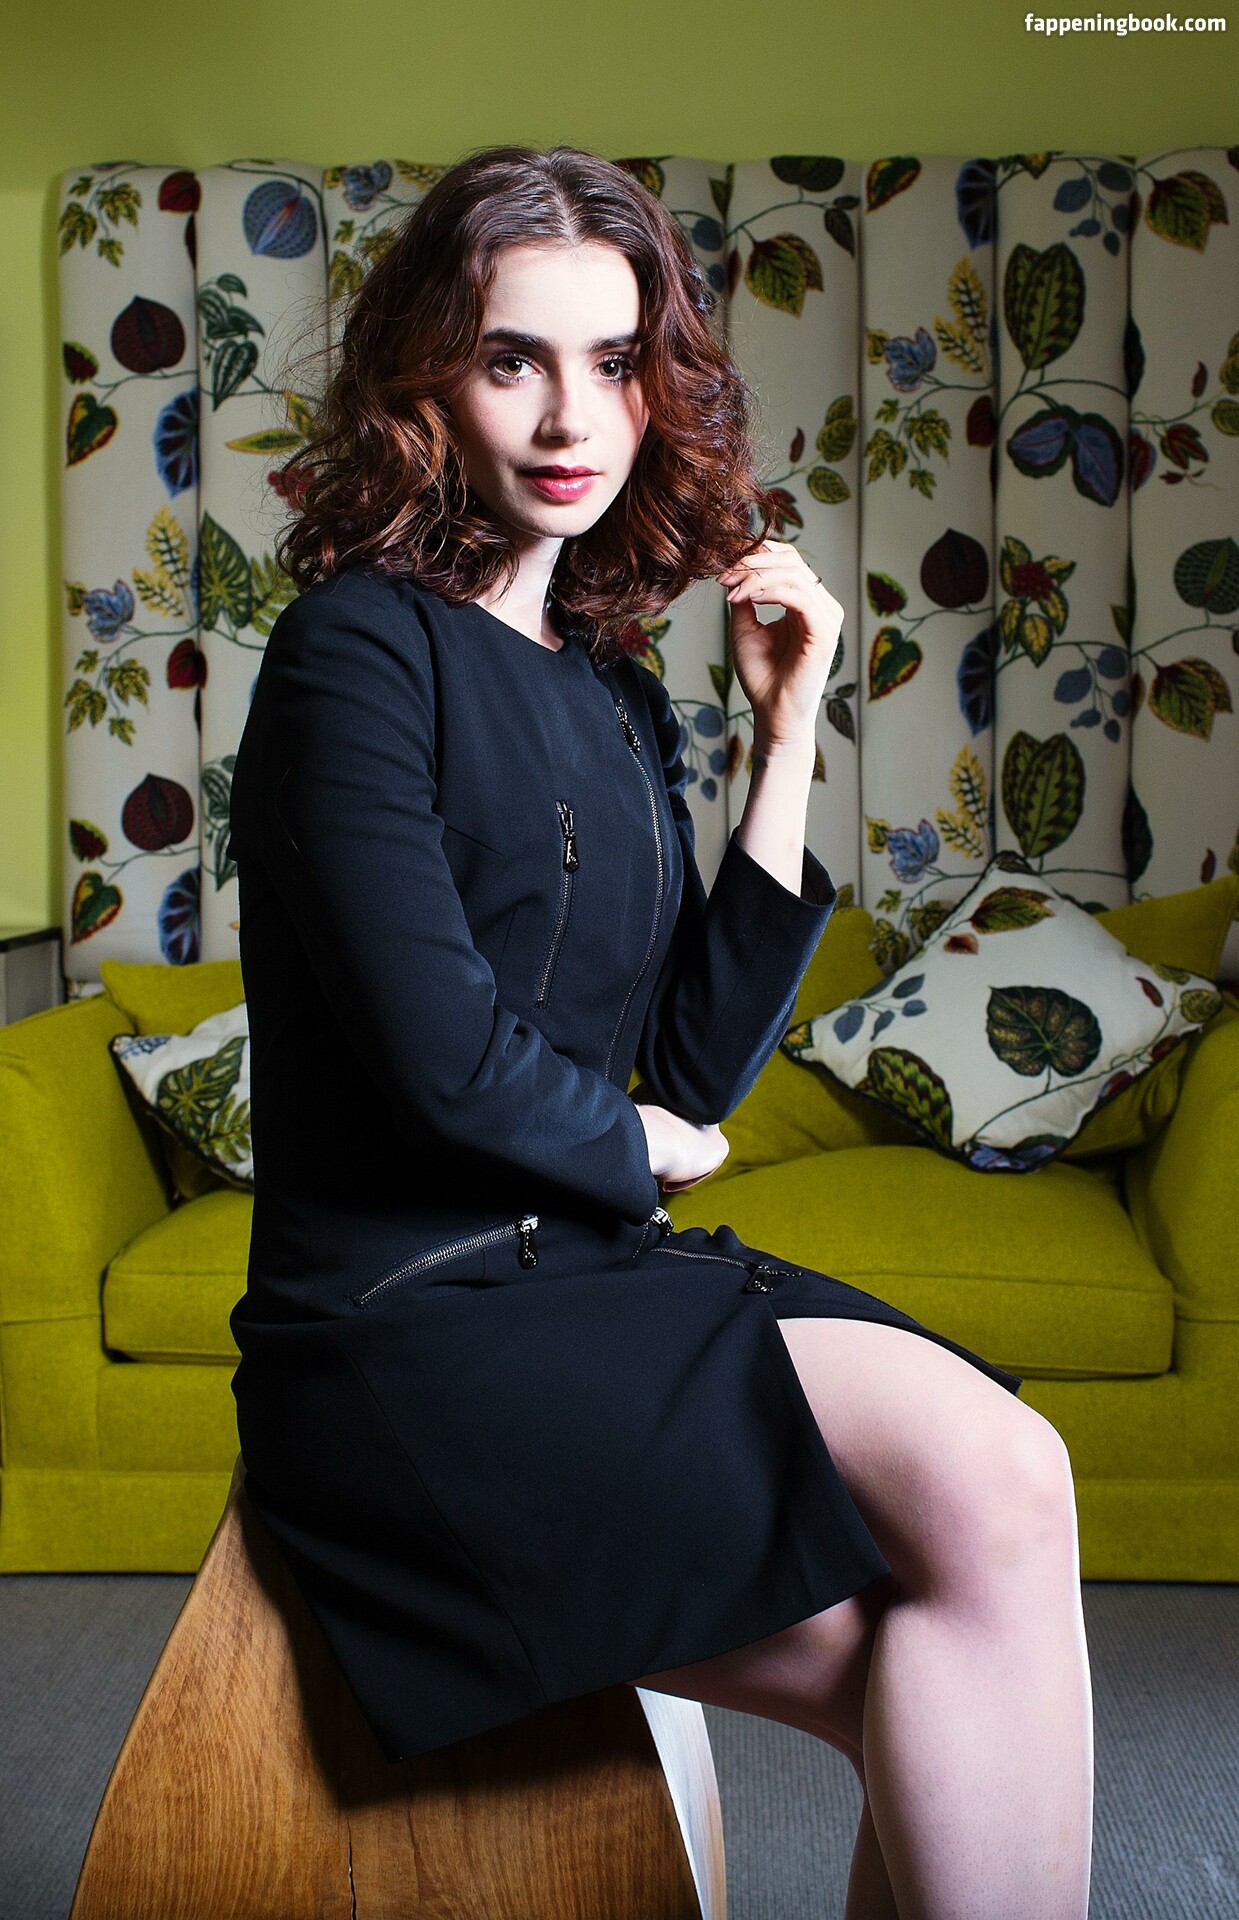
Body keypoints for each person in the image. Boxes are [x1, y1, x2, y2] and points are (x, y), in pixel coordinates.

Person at [225, 143, 1094, 1918]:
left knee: (946, 1623)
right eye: (512, 359)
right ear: (424, 381)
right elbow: (443, 1056)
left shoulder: (614, 691)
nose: (572, 418)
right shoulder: (351, 655)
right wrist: (636, 1145)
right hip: (404, 1326)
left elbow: (690, 1065)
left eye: (614, 362)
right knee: (1001, 1480)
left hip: (586, 1278)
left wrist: (785, 740)